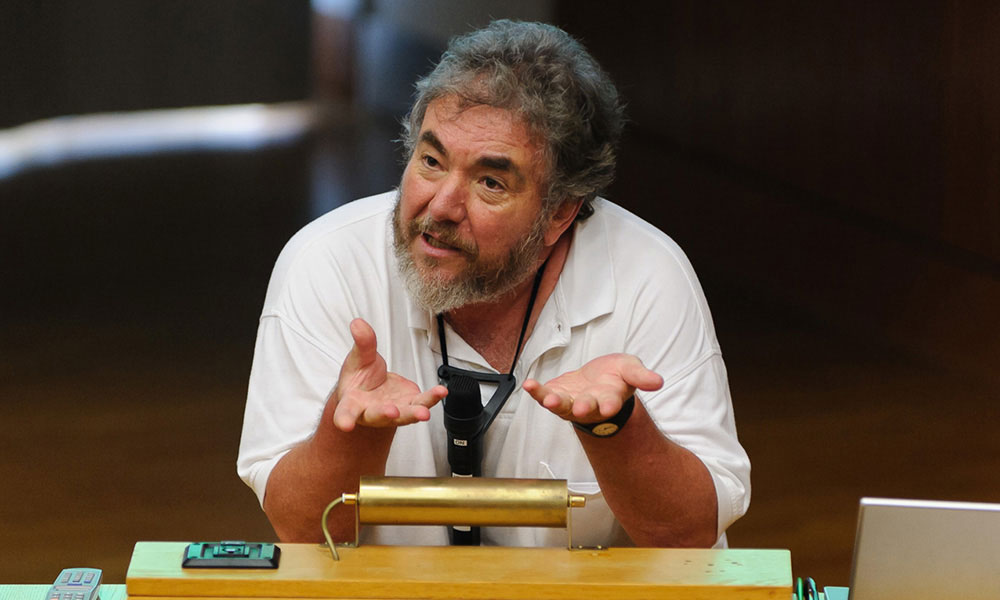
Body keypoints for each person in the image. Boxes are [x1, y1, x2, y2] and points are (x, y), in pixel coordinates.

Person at [237, 19, 749, 549]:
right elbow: (300, 529)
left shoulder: (649, 276)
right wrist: (351, 437)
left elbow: (689, 535)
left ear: (560, 213)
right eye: (431, 161)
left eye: (490, 182)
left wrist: (617, 429)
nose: (441, 206)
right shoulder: (327, 263)